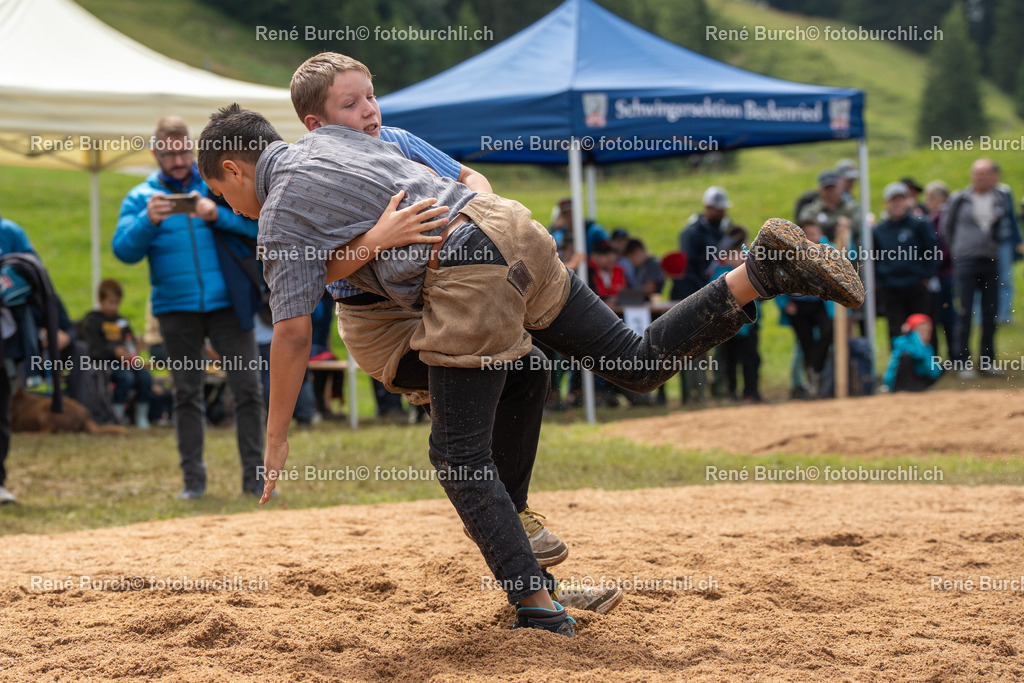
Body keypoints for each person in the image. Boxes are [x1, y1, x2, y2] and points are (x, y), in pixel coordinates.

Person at [196, 104, 864, 637]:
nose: (228, 207)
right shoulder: (339, 140)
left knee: (458, 458)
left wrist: (277, 435)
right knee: (631, 363)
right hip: (508, 224)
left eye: (220, 193)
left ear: (233, 167)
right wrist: (367, 244)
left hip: (463, 269)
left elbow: (288, 332)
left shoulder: (279, 206)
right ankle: (764, 269)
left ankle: (538, 605)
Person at [290, 53, 574, 570]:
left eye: (371, 96)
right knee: (466, 445)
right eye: (351, 104)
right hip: (384, 324)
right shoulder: (316, 174)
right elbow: (310, 267)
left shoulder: (398, 142)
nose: (369, 111)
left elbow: (473, 179)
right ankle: (519, 556)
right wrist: (379, 238)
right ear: (316, 125)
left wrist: (479, 221)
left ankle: (516, 525)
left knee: (529, 367)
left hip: (446, 298)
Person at [112, 115, 266, 500]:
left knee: (248, 389)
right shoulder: (140, 197)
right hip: (175, 309)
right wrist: (147, 221)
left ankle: (256, 480)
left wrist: (218, 215)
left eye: (183, 151)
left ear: (191, 147)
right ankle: (193, 484)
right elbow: (123, 251)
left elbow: (259, 228)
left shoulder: (214, 186)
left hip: (229, 304)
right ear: (156, 153)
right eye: (169, 153)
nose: (178, 160)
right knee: (186, 394)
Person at [941, 159, 1012, 378]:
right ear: (972, 176)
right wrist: (959, 249)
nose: (981, 178)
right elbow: (946, 226)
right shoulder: (960, 199)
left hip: (990, 260)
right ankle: (962, 361)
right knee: (964, 311)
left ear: (994, 176)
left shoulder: (1000, 198)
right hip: (966, 261)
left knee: (990, 311)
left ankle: (987, 361)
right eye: (977, 174)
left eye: (985, 174)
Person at [80, 279, 154, 428]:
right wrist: (113, 352)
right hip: (102, 363)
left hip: (125, 362)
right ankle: (116, 413)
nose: (114, 307)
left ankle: (141, 416)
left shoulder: (121, 320)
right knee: (125, 377)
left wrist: (132, 350)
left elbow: (129, 340)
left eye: (117, 303)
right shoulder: (93, 320)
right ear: (100, 300)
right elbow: (92, 349)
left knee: (145, 377)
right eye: (111, 302)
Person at [872, 182, 940, 344]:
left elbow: (932, 251)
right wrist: (881, 280)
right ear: (886, 202)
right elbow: (874, 257)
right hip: (891, 287)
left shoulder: (919, 225)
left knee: (922, 327)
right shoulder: (879, 230)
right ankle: (902, 366)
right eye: (893, 200)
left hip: (916, 285)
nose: (897, 204)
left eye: (901, 199)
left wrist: (926, 276)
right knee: (896, 329)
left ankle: (927, 366)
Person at [712, 227, 761, 403]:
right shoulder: (719, 273)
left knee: (752, 360)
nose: (739, 256)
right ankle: (731, 392)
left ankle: (752, 392)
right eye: (735, 253)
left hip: (749, 326)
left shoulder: (750, 271)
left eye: (741, 252)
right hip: (728, 327)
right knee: (730, 362)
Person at [924, 181, 955, 360]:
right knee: (940, 316)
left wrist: (933, 264)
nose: (928, 201)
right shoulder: (933, 216)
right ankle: (946, 356)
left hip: (944, 274)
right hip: (938, 273)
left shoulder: (944, 215)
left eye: (932, 197)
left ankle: (955, 355)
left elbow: (945, 246)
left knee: (947, 316)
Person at [882, 314, 942, 392]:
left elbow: (934, 373)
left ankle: (920, 388)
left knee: (940, 364)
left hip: (918, 381)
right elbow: (918, 354)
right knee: (906, 357)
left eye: (928, 331)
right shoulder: (902, 341)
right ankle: (900, 389)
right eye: (921, 331)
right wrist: (917, 339)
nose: (925, 334)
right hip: (897, 382)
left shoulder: (928, 347)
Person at [799, 170, 859, 243]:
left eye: (833, 188)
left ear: (840, 187)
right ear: (820, 190)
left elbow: (861, 223)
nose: (830, 192)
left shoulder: (851, 207)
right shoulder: (811, 210)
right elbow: (805, 225)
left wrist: (848, 224)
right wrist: (836, 222)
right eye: (827, 188)